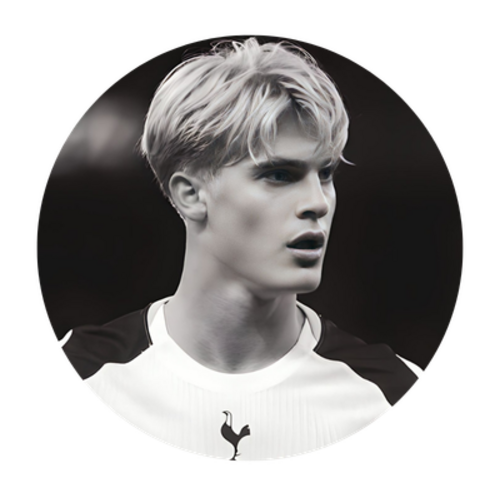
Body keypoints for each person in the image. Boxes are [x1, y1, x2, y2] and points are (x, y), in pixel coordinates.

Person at [54, 38, 425, 463]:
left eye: (325, 173)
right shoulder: (90, 375)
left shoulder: (390, 393)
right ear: (191, 194)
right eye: (279, 174)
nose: (318, 202)